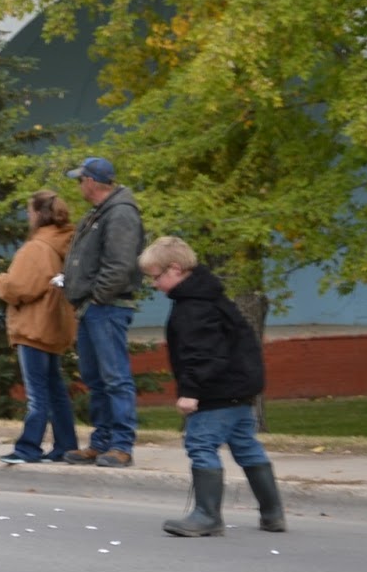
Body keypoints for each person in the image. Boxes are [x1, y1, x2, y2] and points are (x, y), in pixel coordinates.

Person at [140, 236, 284, 536]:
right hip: (239, 389)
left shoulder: (193, 308)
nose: (154, 284)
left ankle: (207, 516)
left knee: (201, 445)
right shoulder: (212, 297)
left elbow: (202, 354)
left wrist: (190, 392)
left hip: (215, 391)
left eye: (156, 277)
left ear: (175, 269)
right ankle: (272, 513)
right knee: (246, 447)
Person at [60, 155, 145, 468]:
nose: (79, 186)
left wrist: (98, 297)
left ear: (91, 181)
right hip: (90, 308)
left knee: (115, 378)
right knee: (96, 378)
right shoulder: (99, 212)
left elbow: (119, 264)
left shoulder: (120, 213)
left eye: (80, 180)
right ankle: (101, 442)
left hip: (107, 307)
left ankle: (121, 445)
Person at [0, 190, 79, 465]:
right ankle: (65, 445)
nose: (28, 217)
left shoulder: (36, 248)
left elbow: (20, 288)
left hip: (33, 327)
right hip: (54, 325)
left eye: (30, 211)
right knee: (56, 391)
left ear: (40, 214)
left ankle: (28, 447)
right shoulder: (65, 243)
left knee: (37, 393)